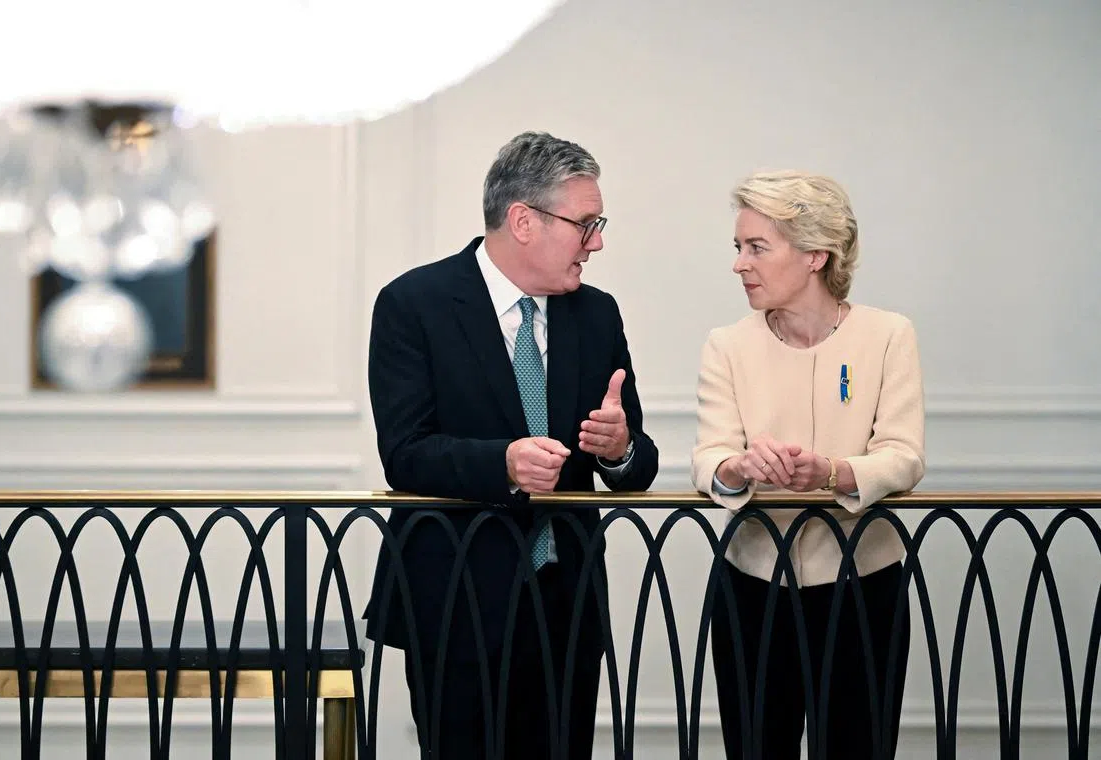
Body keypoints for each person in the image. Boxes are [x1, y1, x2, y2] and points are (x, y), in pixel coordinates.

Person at [364, 131, 659, 759]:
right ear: (524, 221)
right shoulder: (413, 304)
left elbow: (636, 468)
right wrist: (501, 463)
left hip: (566, 606)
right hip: (456, 601)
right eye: (587, 224)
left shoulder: (597, 314)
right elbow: (406, 452)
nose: (598, 242)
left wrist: (618, 448)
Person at [690, 170, 925, 759]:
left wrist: (833, 473)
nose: (740, 264)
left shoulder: (889, 335)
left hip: (863, 591)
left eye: (757, 248)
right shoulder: (727, 344)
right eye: (738, 248)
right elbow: (709, 460)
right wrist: (739, 469)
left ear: (816, 253)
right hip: (751, 591)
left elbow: (903, 455)